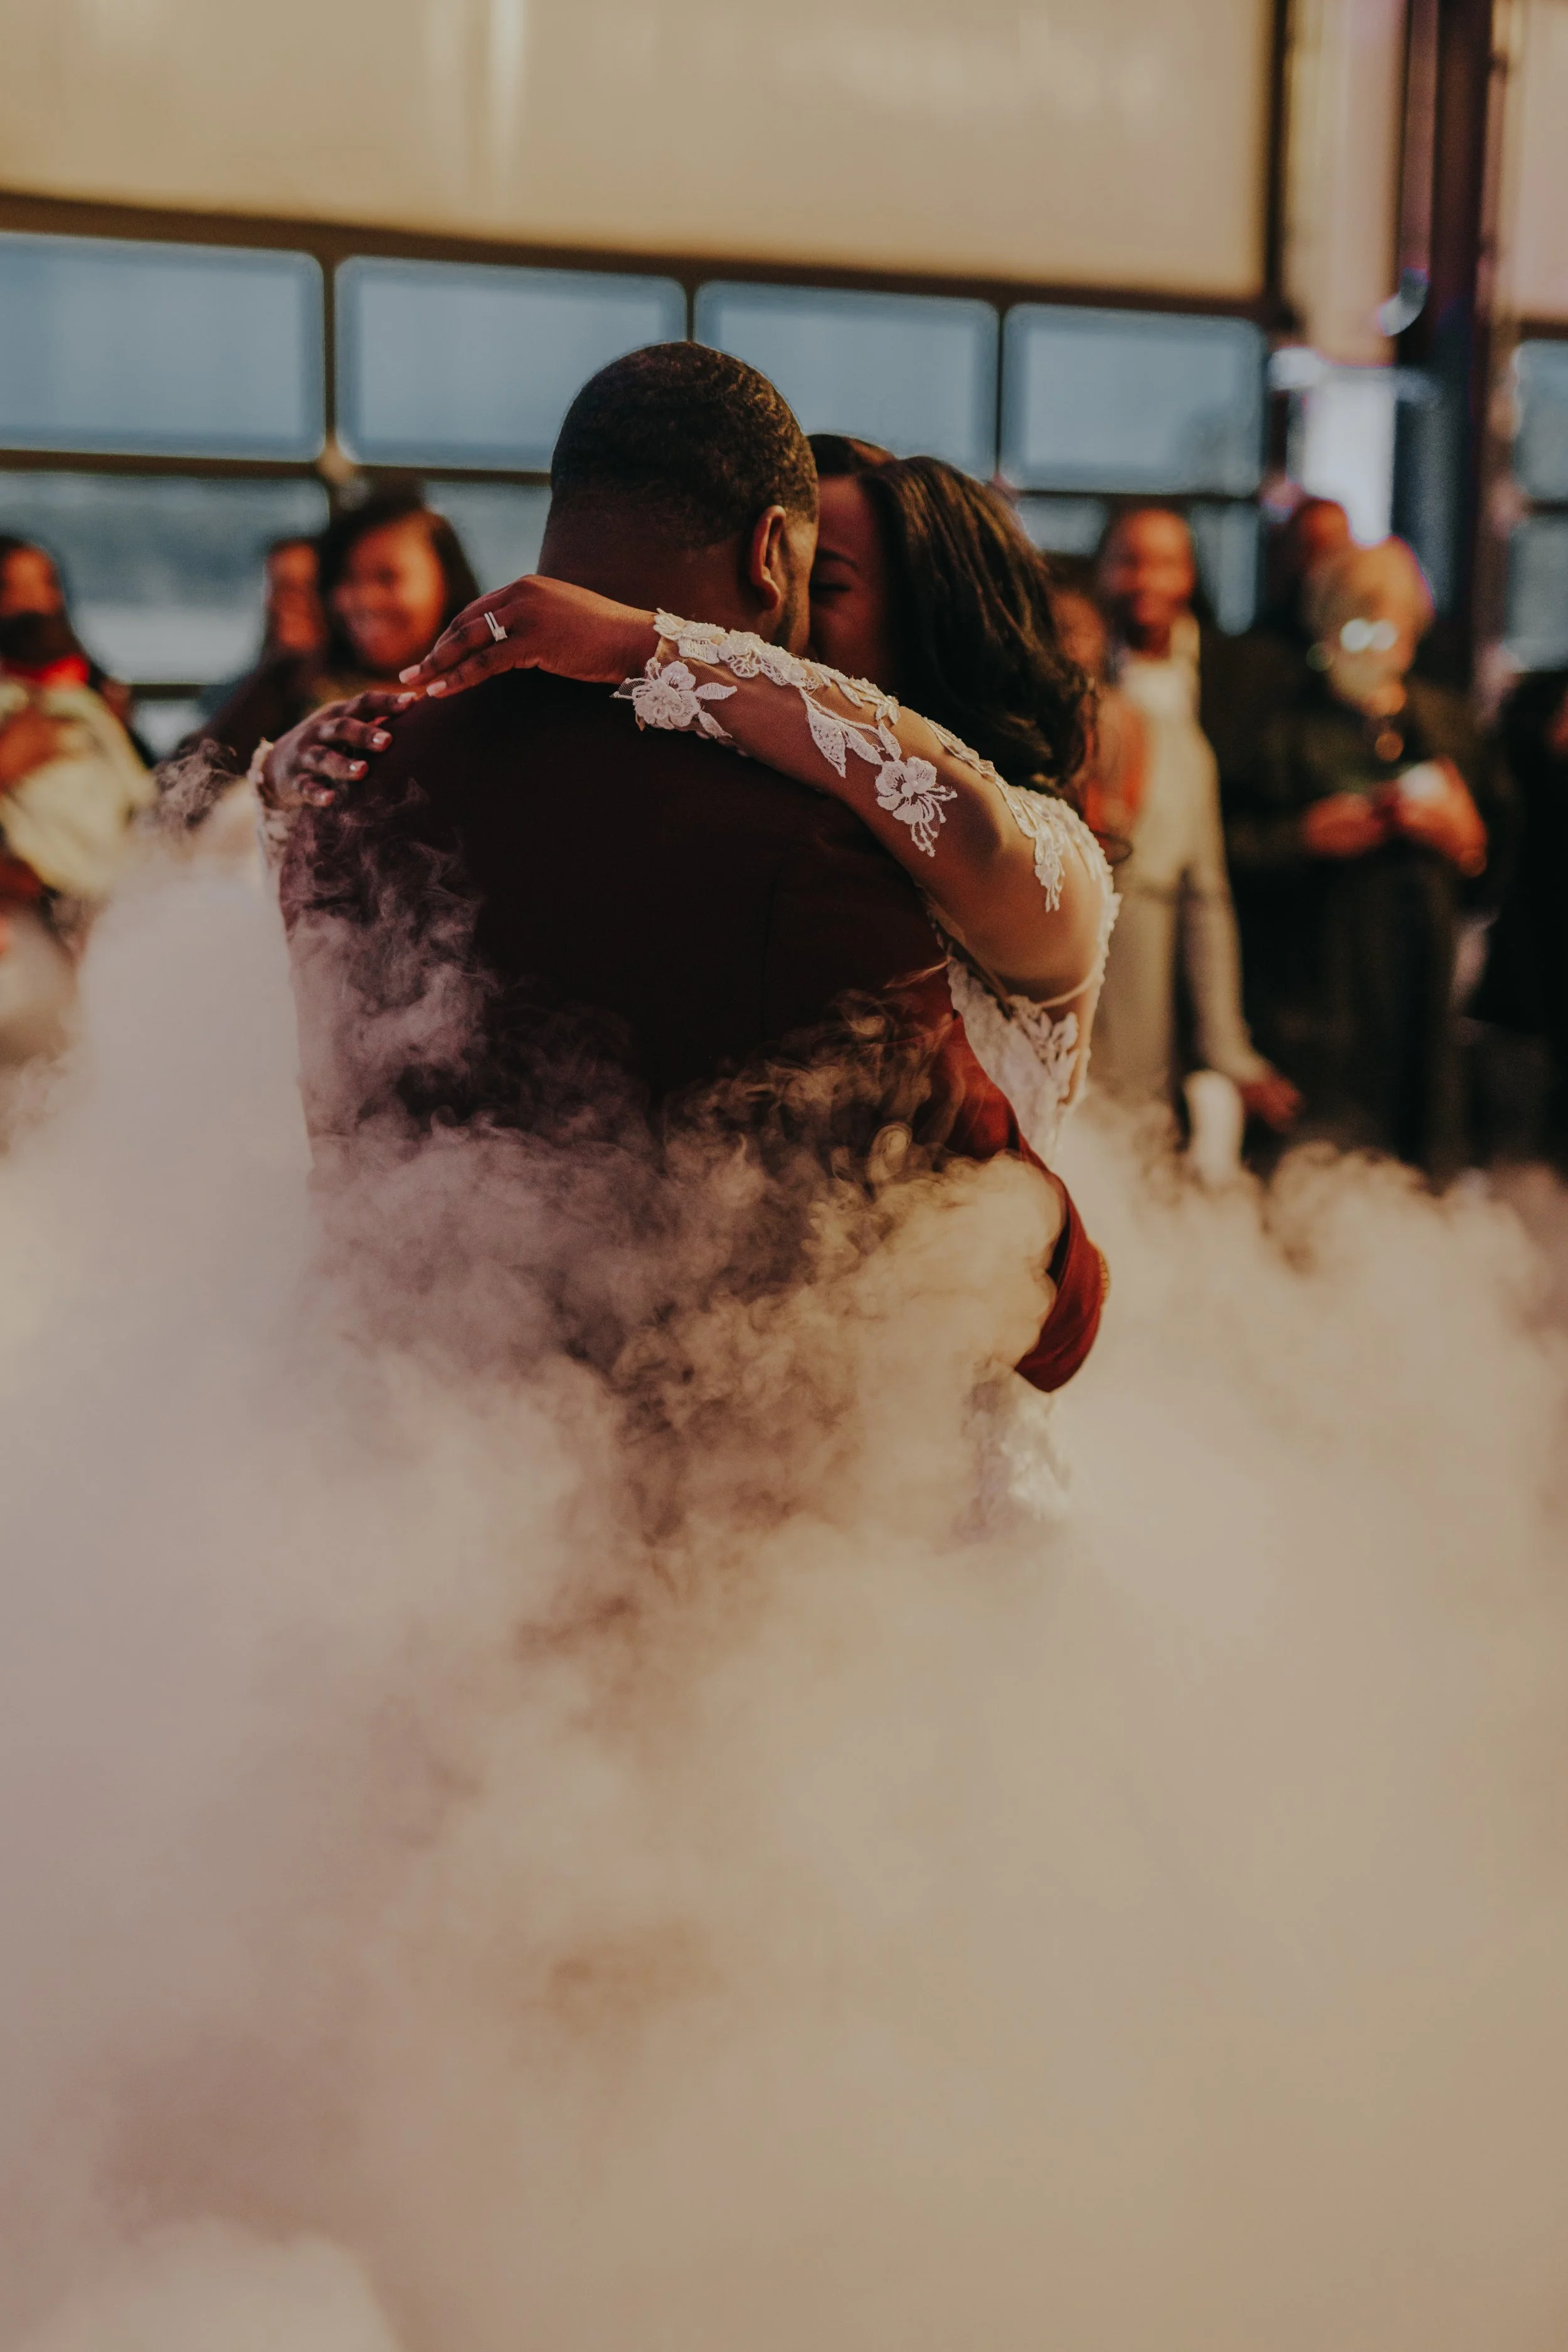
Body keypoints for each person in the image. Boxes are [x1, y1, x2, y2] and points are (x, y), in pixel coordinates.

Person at [279, 346, 1113, 1392]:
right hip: (757, 1439)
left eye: (841, 584)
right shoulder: (797, 849)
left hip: (451, 1428)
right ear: (774, 556)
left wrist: (647, 643)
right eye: (814, 574)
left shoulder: (1008, 844)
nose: (799, 631)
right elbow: (1016, 1262)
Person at [1223, 538, 1502, 1179]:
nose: (1375, 643)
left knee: (1418, 1172)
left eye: (1391, 626)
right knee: (1317, 1171)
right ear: (1324, 626)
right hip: (1316, 1001)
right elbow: (1226, 858)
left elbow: (1492, 869)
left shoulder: (1447, 724)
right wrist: (1304, 837)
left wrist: (1464, 839)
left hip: (1420, 1003)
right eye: (1357, 624)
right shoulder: (1281, 726)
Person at [1091, 506, 1300, 1135]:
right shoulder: (1070, 684)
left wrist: (1226, 1044)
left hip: (1162, 952)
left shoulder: (1231, 690)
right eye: (1128, 561)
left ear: (1191, 576)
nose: (1145, 580)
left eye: (1165, 563)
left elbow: (1209, 893)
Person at [193, 489, 479, 773]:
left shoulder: (484, 693)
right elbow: (187, 785)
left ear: (447, 582)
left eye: (387, 578)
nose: (363, 600)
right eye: (349, 579)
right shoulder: (298, 683)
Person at [0, 610, 154, 1066]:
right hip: (55, 879)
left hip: (58, 875)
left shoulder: (83, 710)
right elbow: (141, 787)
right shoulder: (80, 710)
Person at [195, 535, 328, 723]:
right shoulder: (226, 697)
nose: (286, 601)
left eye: (305, 587)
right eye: (276, 587)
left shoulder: (350, 694)